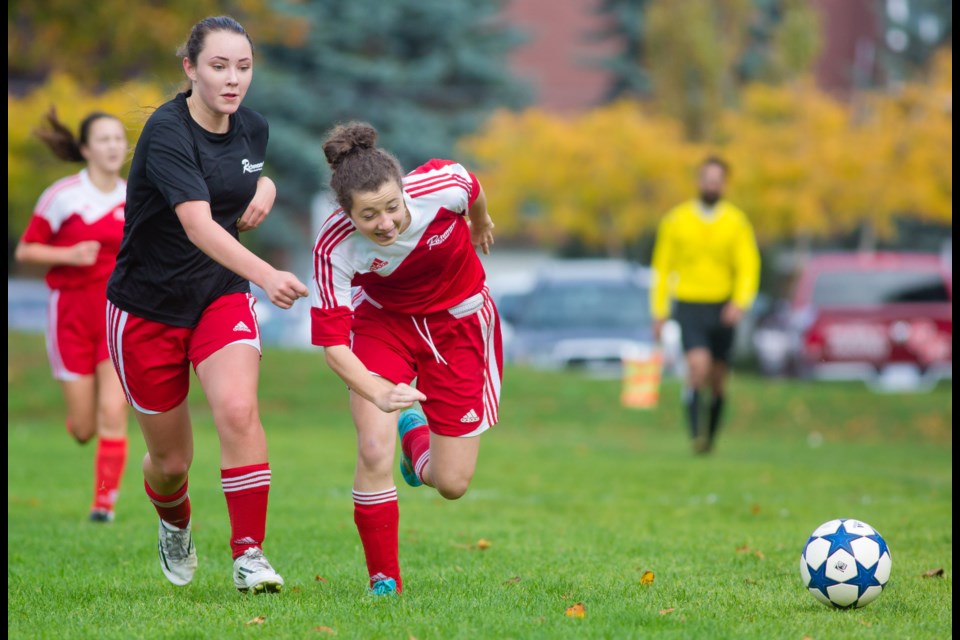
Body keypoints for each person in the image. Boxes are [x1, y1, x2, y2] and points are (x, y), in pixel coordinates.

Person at [105, 16, 308, 594]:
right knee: (170, 465)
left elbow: (241, 179)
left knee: (239, 411)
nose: (233, 79)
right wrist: (267, 273)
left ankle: (249, 555)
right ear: (190, 67)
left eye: (243, 67)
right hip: (147, 308)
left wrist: (265, 188)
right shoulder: (167, 131)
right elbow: (197, 222)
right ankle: (174, 524)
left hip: (220, 295)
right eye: (219, 66)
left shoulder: (254, 128)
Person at [310, 122, 502, 596]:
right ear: (347, 213)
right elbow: (334, 347)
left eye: (392, 207)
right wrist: (378, 393)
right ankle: (384, 580)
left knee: (452, 482)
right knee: (373, 447)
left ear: (403, 190)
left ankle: (414, 441)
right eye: (369, 214)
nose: (386, 223)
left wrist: (479, 222)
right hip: (384, 325)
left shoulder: (442, 185)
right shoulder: (333, 246)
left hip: (458, 327)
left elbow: (472, 187)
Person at [15, 108, 131, 523]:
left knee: (114, 413)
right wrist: (67, 254)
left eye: (119, 138)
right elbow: (26, 250)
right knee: (85, 429)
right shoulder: (62, 196)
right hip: (69, 319)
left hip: (117, 319)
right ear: (84, 148)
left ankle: (104, 502)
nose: (114, 145)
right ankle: (81, 422)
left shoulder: (134, 196)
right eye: (104, 139)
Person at [649, 155, 760, 454]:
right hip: (689, 304)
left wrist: (739, 301)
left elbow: (748, 266)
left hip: (722, 306)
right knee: (698, 367)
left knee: (718, 379)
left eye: (717, 180)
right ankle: (695, 435)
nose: (711, 185)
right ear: (699, 181)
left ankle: (710, 437)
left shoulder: (736, 223)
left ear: (723, 184)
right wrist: (658, 312)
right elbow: (661, 268)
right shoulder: (676, 221)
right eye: (706, 179)